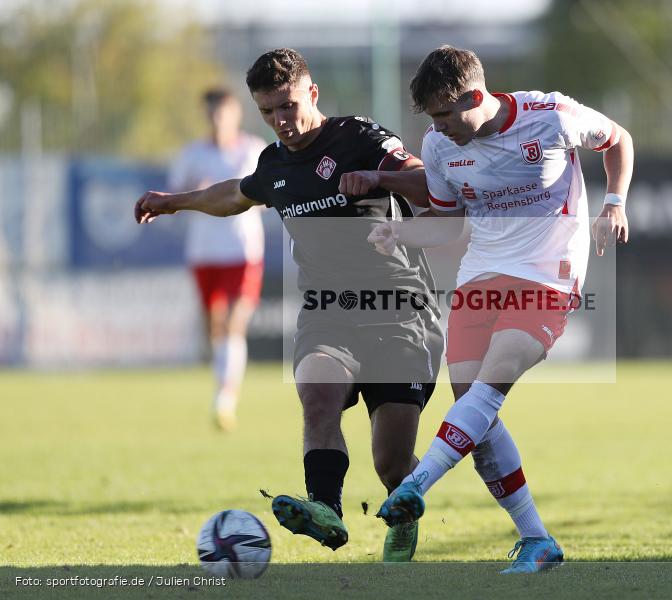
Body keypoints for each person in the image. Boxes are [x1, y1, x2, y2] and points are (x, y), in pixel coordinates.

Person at [135, 48, 443, 562]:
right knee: (317, 395)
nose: (281, 121)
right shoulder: (274, 163)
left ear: (312, 93)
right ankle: (326, 509)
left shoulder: (361, 138)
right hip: (329, 312)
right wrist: (174, 202)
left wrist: (379, 179)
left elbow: (430, 183)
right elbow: (235, 194)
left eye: (288, 105)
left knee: (391, 462)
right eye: (267, 112)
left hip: (398, 308)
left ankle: (403, 504)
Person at [368, 45, 634, 573]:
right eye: (431, 118)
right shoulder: (439, 144)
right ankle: (537, 540)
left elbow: (618, 139)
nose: (439, 128)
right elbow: (446, 222)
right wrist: (400, 231)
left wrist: (615, 203)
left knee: (489, 387)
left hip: (547, 275)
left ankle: (416, 486)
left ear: (475, 95)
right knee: (477, 416)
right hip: (479, 277)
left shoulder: (550, 115)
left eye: (446, 114)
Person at [168, 88, 267, 432]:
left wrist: (237, 197)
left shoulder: (253, 150)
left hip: (242, 252)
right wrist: (200, 193)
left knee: (235, 322)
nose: (217, 119)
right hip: (204, 252)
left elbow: (268, 196)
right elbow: (175, 197)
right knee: (215, 327)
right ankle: (223, 387)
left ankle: (225, 399)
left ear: (235, 114)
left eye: (222, 112)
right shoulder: (192, 155)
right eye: (211, 113)